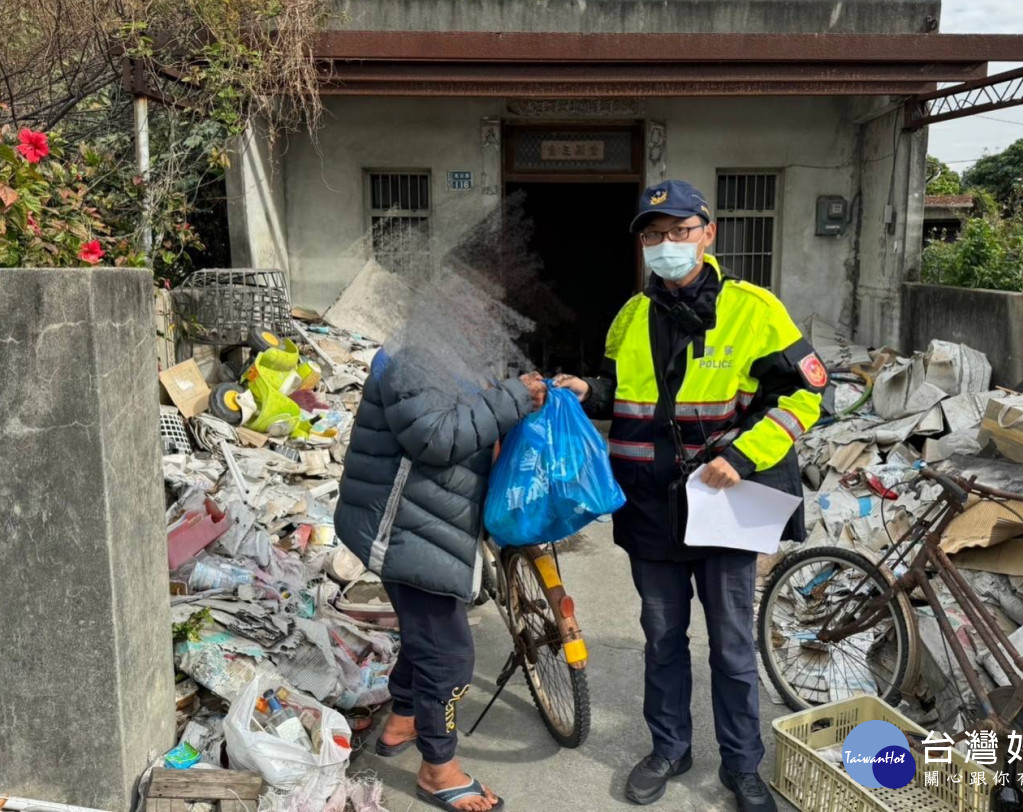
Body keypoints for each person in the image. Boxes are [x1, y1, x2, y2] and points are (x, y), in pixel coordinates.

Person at [555, 179, 826, 812]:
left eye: (681, 232)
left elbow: (809, 396)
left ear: (708, 234)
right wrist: (583, 391)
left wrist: (742, 454)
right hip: (650, 506)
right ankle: (670, 748)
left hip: (724, 505)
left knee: (732, 645)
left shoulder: (755, 308)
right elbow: (623, 391)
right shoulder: (631, 315)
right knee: (662, 636)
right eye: (654, 235)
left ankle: (743, 765)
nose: (668, 245)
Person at [335, 344, 546, 812]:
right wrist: (512, 397)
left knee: (425, 634)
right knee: (449, 657)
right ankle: (437, 771)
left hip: (422, 521)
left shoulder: (449, 347)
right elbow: (435, 435)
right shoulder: (416, 354)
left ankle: (402, 720)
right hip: (403, 528)